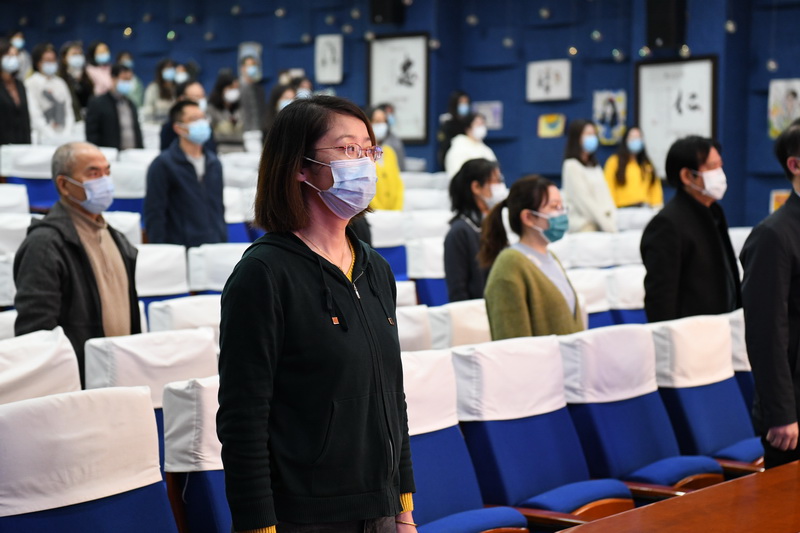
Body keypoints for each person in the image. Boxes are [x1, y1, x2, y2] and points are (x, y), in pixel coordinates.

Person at [216, 95, 416, 533]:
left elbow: (392, 396)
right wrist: (258, 526)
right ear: (300, 167)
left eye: (369, 150)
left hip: (382, 510)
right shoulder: (263, 274)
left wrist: (404, 510)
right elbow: (243, 417)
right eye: (348, 149)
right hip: (304, 518)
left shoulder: (375, 268)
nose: (364, 163)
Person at [13, 142, 141, 387]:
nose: (104, 181)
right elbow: (37, 333)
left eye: (107, 172)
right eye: (93, 173)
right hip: (75, 384)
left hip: (120, 376)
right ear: (64, 185)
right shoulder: (44, 244)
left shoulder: (117, 238)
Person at [740, 124, 800, 469]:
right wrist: (781, 413)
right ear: (795, 165)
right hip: (795, 409)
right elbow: (766, 332)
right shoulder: (773, 235)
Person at [640, 135, 741, 323]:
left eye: (720, 165)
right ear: (687, 176)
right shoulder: (667, 225)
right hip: (691, 334)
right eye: (712, 167)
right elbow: (661, 300)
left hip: (724, 327)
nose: (719, 173)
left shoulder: (714, 211)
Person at [479, 175, 583, 340]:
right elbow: (512, 342)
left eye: (561, 206)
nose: (561, 213)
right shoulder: (509, 265)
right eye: (554, 207)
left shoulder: (551, 257)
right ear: (528, 217)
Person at [144, 100, 226, 248]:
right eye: (194, 119)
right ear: (178, 128)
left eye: (203, 117)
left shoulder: (214, 163)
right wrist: (161, 251)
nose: (201, 123)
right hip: (180, 249)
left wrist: (222, 241)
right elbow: (155, 214)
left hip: (214, 247)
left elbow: (219, 209)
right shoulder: (163, 165)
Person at [444, 158, 504, 302]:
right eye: (496, 181)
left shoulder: (494, 225)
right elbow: (459, 294)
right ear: (476, 187)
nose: (501, 187)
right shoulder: (459, 232)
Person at [561, 119, 617, 232]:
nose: (593, 138)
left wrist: (612, 219)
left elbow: (606, 196)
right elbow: (584, 202)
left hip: (603, 224)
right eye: (588, 134)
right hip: (584, 226)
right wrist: (606, 225)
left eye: (594, 134)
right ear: (577, 137)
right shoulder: (571, 165)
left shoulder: (595, 166)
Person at [25, 42, 76, 143]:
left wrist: (66, 133)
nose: (51, 63)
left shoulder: (60, 82)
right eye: (47, 60)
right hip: (42, 138)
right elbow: (34, 114)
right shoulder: (30, 83)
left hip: (64, 136)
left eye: (53, 60)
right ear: (38, 63)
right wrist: (51, 135)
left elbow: (69, 110)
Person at [85, 64, 143, 150]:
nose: (127, 83)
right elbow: (92, 133)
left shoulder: (130, 104)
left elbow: (137, 132)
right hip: (109, 153)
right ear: (113, 78)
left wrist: (140, 150)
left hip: (132, 153)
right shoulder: (98, 103)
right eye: (124, 79)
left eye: (129, 80)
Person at [603, 126, 663, 208]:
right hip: (622, 209)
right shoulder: (614, 161)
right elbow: (608, 187)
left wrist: (657, 207)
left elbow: (655, 188)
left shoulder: (647, 164)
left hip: (645, 208)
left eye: (638, 137)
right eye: (632, 137)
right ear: (625, 140)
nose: (636, 140)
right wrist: (611, 209)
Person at [160, 80, 216, 152]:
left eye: (203, 96)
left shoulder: (205, 125)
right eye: (196, 97)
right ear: (182, 99)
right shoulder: (169, 129)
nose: (201, 100)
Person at [368, 106, 404, 210]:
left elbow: (398, 185)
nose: (382, 125)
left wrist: (396, 211)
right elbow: (363, 187)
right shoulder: (361, 153)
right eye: (377, 121)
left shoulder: (389, 152)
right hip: (372, 214)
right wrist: (379, 212)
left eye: (384, 121)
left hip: (393, 214)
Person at [444, 112, 497, 178]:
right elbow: (457, 178)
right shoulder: (458, 149)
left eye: (483, 123)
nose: (481, 127)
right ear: (468, 128)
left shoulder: (486, 150)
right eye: (478, 124)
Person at [0, 41, 32, 145]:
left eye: (16, 56)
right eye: (9, 56)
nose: (13, 59)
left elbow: (25, 117)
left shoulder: (20, 85)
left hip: (21, 144)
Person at [207, 69, 244, 153]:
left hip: (240, 151)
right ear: (221, 88)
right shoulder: (212, 108)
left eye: (236, 88)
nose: (234, 91)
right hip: (222, 151)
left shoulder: (239, 108)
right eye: (231, 88)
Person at [58, 41, 93, 119]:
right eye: (74, 54)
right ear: (64, 58)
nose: (78, 57)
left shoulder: (88, 76)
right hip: (71, 119)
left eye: (80, 54)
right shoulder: (60, 79)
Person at [437, 89, 470, 170]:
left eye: (466, 103)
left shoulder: (470, 124)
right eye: (461, 103)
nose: (464, 106)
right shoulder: (447, 124)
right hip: (452, 163)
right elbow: (444, 146)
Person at [238, 55, 268, 135]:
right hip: (243, 132)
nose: (252, 68)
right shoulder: (237, 87)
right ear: (242, 68)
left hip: (260, 130)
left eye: (254, 65)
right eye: (249, 65)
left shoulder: (259, 88)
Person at [142, 58, 176, 124]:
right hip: (157, 124)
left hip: (174, 124)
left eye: (171, 68)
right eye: (167, 68)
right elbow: (148, 108)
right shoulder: (153, 87)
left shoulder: (177, 87)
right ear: (161, 71)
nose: (170, 71)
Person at [377, 102, 406, 171]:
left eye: (391, 114)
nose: (389, 117)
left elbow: (400, 168)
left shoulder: (395, 141)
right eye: (387, 113)